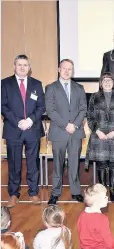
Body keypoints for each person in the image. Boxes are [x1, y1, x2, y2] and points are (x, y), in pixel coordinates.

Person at [1, 54, 45, 207]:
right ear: (14, 66)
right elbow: (3, 106)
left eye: (25, 65)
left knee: (33, 163)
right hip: (14, 129)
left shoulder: (37, 84)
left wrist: (30, 120)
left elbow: (41, 107)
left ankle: (33, 193)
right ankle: (13, 194)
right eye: (19, 65)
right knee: (14, 164)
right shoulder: (5, 84)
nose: (22, 67)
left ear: (29, 68)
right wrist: (18, 121)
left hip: (32, 129)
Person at [45, 59, 87, 204]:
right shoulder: (51, 88)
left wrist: (74, 125)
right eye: (64, 68)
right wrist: (65, 125)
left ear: (73, 71)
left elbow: (83, 109)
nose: (67, 71)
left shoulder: (79, 88)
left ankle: (76, 192)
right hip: (59, 132)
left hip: (75, 132)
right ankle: (55, 193)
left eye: (70, 69)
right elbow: (50, 111)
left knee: (74, 163)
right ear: (59, 69)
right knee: (58, 164)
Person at [85, 72, 114, 203]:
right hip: (99, 136)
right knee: (102, 164)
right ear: (101, 83)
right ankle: (102, 191)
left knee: (113, 165)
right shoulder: (94, 97)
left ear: (113, 83)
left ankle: (113, 191)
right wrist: (97, 131)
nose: (107, 82)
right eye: (104, 80)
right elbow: (90, 116)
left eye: (110, 80)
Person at [77, 184, 114, 249]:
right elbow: (107, 238)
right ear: (97, 202)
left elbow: (81, 233)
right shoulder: (102, 219)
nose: (107, 197)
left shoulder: (82, 215)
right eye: (105, 197)